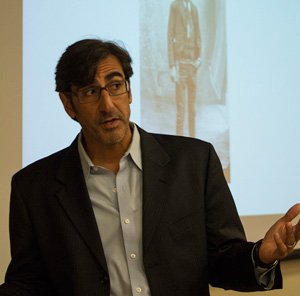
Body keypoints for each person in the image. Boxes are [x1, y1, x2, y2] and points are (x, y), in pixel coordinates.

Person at [0, 38, 299, 296]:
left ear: (129, 92)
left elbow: (221, 260)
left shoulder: (194, 162)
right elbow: (28, 283)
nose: (107, 104)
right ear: (68, 104)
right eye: (91, 92)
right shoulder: (34, 187)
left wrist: (260, 255)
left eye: (115, 86)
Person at [168, 0, 201, 137]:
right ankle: (180, 142)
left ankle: (194, 141)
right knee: (181, 108)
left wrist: (199, 58)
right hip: (180, 65)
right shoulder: (175, 6)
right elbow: (170, 36)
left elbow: (198, 34)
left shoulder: (194, 9)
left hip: (193, 65)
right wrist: (172, 66)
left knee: (192, 108)